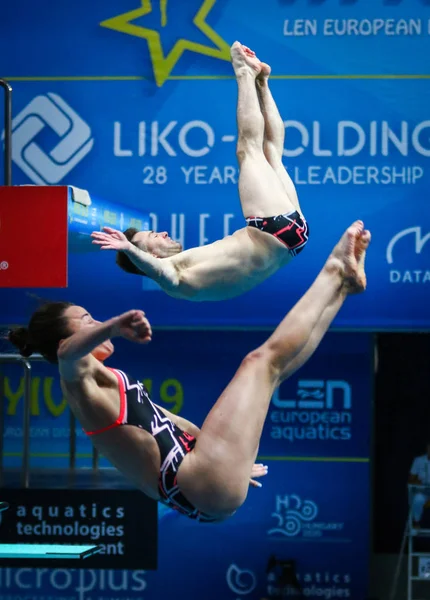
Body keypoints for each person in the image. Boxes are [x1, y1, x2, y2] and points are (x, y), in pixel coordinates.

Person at [9, 222, 370, 522]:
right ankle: (334, 270)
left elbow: (173, 424)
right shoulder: (76, 379)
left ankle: (341, 286)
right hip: (196, 481)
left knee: (272, 370)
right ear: (67, 337)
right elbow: (67, 352)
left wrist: (233, 461)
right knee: (260, 363)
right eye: (87, 321)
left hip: (203, 479)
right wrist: (115, 325)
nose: (96, 323)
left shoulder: (105, 381)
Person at [91, 42, 309, 302]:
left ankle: (262, 82)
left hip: (292, 239)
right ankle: (243, 72)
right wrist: (128, 248)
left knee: (272, 153)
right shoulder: (174, 279)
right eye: (152, 238)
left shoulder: (189, 265)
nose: (160, 233)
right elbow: (161, 272)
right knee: (247, 150)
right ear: (149, 257)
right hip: (273, 232)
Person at [408, 442, 430, 528]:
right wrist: (416, 481)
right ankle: (416, 522)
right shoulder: (419, 460)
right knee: (418, 498)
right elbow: (410, 480)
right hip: (423, 490)